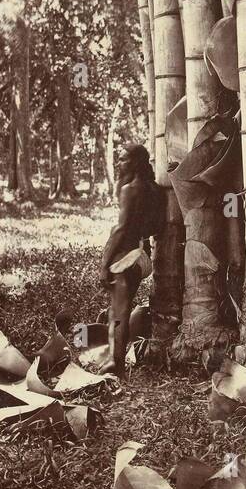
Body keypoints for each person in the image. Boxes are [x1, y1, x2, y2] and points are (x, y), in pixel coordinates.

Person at [101, 143, 164, 375]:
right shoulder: (156, 190)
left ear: (136, 163)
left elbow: (120, 229)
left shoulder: (130, 189)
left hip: (125, 257)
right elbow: (157, 226)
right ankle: (115, 358)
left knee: (118, 312)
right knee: (121, 310)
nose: (120, 163)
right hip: (142, 257)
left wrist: (104, 264)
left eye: (124, 159)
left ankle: (115, 364)